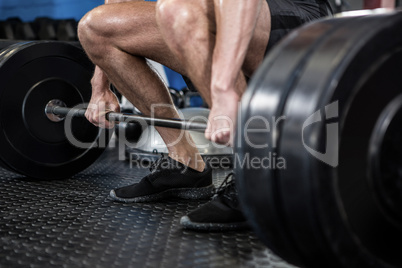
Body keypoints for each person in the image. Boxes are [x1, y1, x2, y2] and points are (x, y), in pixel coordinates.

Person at [78, 0, 332, 231]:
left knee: (179, 11)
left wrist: (223, 91)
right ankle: (185, 163)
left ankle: (257, 181)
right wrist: (101, 85)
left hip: (297, 21)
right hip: (197, 14)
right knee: (95, 27)